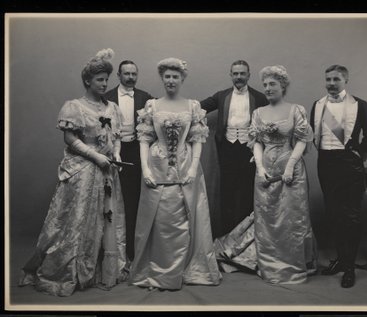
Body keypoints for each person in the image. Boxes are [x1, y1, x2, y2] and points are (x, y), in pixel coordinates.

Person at [18, 49, 127, 296]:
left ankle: (103, 269)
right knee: (76, 221)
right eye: (100, 79)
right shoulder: (74, 107)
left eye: (106, 79)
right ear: (88, 81)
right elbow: (70, 138)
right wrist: (96, 156)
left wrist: (116, 154)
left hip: (108, 172)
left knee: (107, 219)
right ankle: (71, 271)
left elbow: (116, 137)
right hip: (83, 174)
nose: (104, 84)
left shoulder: (113, 108)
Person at [214, 65, 317, 284]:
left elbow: (301, 140)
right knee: (267, 217)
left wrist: (289, 167)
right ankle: (268, 260)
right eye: (266, 85)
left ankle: (292, 261)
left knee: (291, 217)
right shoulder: (258, 113)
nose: (268, 88)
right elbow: (257, 143)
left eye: (273, 84)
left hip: (291, 171)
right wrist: (260, 168)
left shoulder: (295, 110)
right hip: (265, 171)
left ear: (283, 87)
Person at [129, 58, 222, 291]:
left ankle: (186, 268)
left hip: (186, 165)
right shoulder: (152, 106)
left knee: (185, 216)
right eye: (167, 77)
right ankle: (157, 268)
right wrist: (146, 168)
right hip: (157, 166)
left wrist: (193, 167)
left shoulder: (192, 107)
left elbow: (198, 139)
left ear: (182, 79)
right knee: (160, 218)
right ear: (163, 79)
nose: (171, 80)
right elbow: (144, 138)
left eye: (175, 77)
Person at [310, 64, 367, 288]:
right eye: (328, 79)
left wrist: (357, 155)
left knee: (350, 216)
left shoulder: (360, 105)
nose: (331, 83)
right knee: (333, 212)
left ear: (345, 81)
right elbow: (315, 135)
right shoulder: (318, 105)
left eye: (336, 79)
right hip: (326, 163)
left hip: (349, 164)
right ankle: (340, 259)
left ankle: (349, 268)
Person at [200, 60, 268, 237]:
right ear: (231, 75)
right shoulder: (222, 95)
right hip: (227, 149)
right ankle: (225, 238)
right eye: (235, 73)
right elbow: (199, 107)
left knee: (247, 193)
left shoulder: (259, 97)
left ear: (248, 75)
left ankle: (244, 240)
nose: (239, 77)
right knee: (227, 193)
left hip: (250, 150)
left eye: (242, 73)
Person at [104, 60, 152, 263]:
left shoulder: (145, 98)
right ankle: (109, 250)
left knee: (132, 200)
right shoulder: (105, 98)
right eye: (127, 74)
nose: (131, 77)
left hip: (134, 151)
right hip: (110, 152)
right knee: (110, 199)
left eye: (134, 73)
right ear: (118, 75)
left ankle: (131, 251)